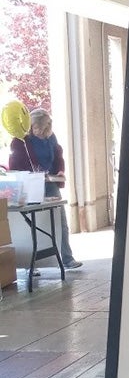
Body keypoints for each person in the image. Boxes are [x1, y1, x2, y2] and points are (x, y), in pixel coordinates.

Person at [8, 108, 82, 269]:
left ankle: (67, 258)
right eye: (36, 128)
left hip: (50, 183)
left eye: (44, 129)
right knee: (31, 224)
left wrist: (60, 171)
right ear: (30, 125)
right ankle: (31, 263)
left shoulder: (51, 138)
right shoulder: (21, 141)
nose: (40, 132)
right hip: (30, 185)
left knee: (61, 222)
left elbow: (58, 157)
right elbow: (14, 167)